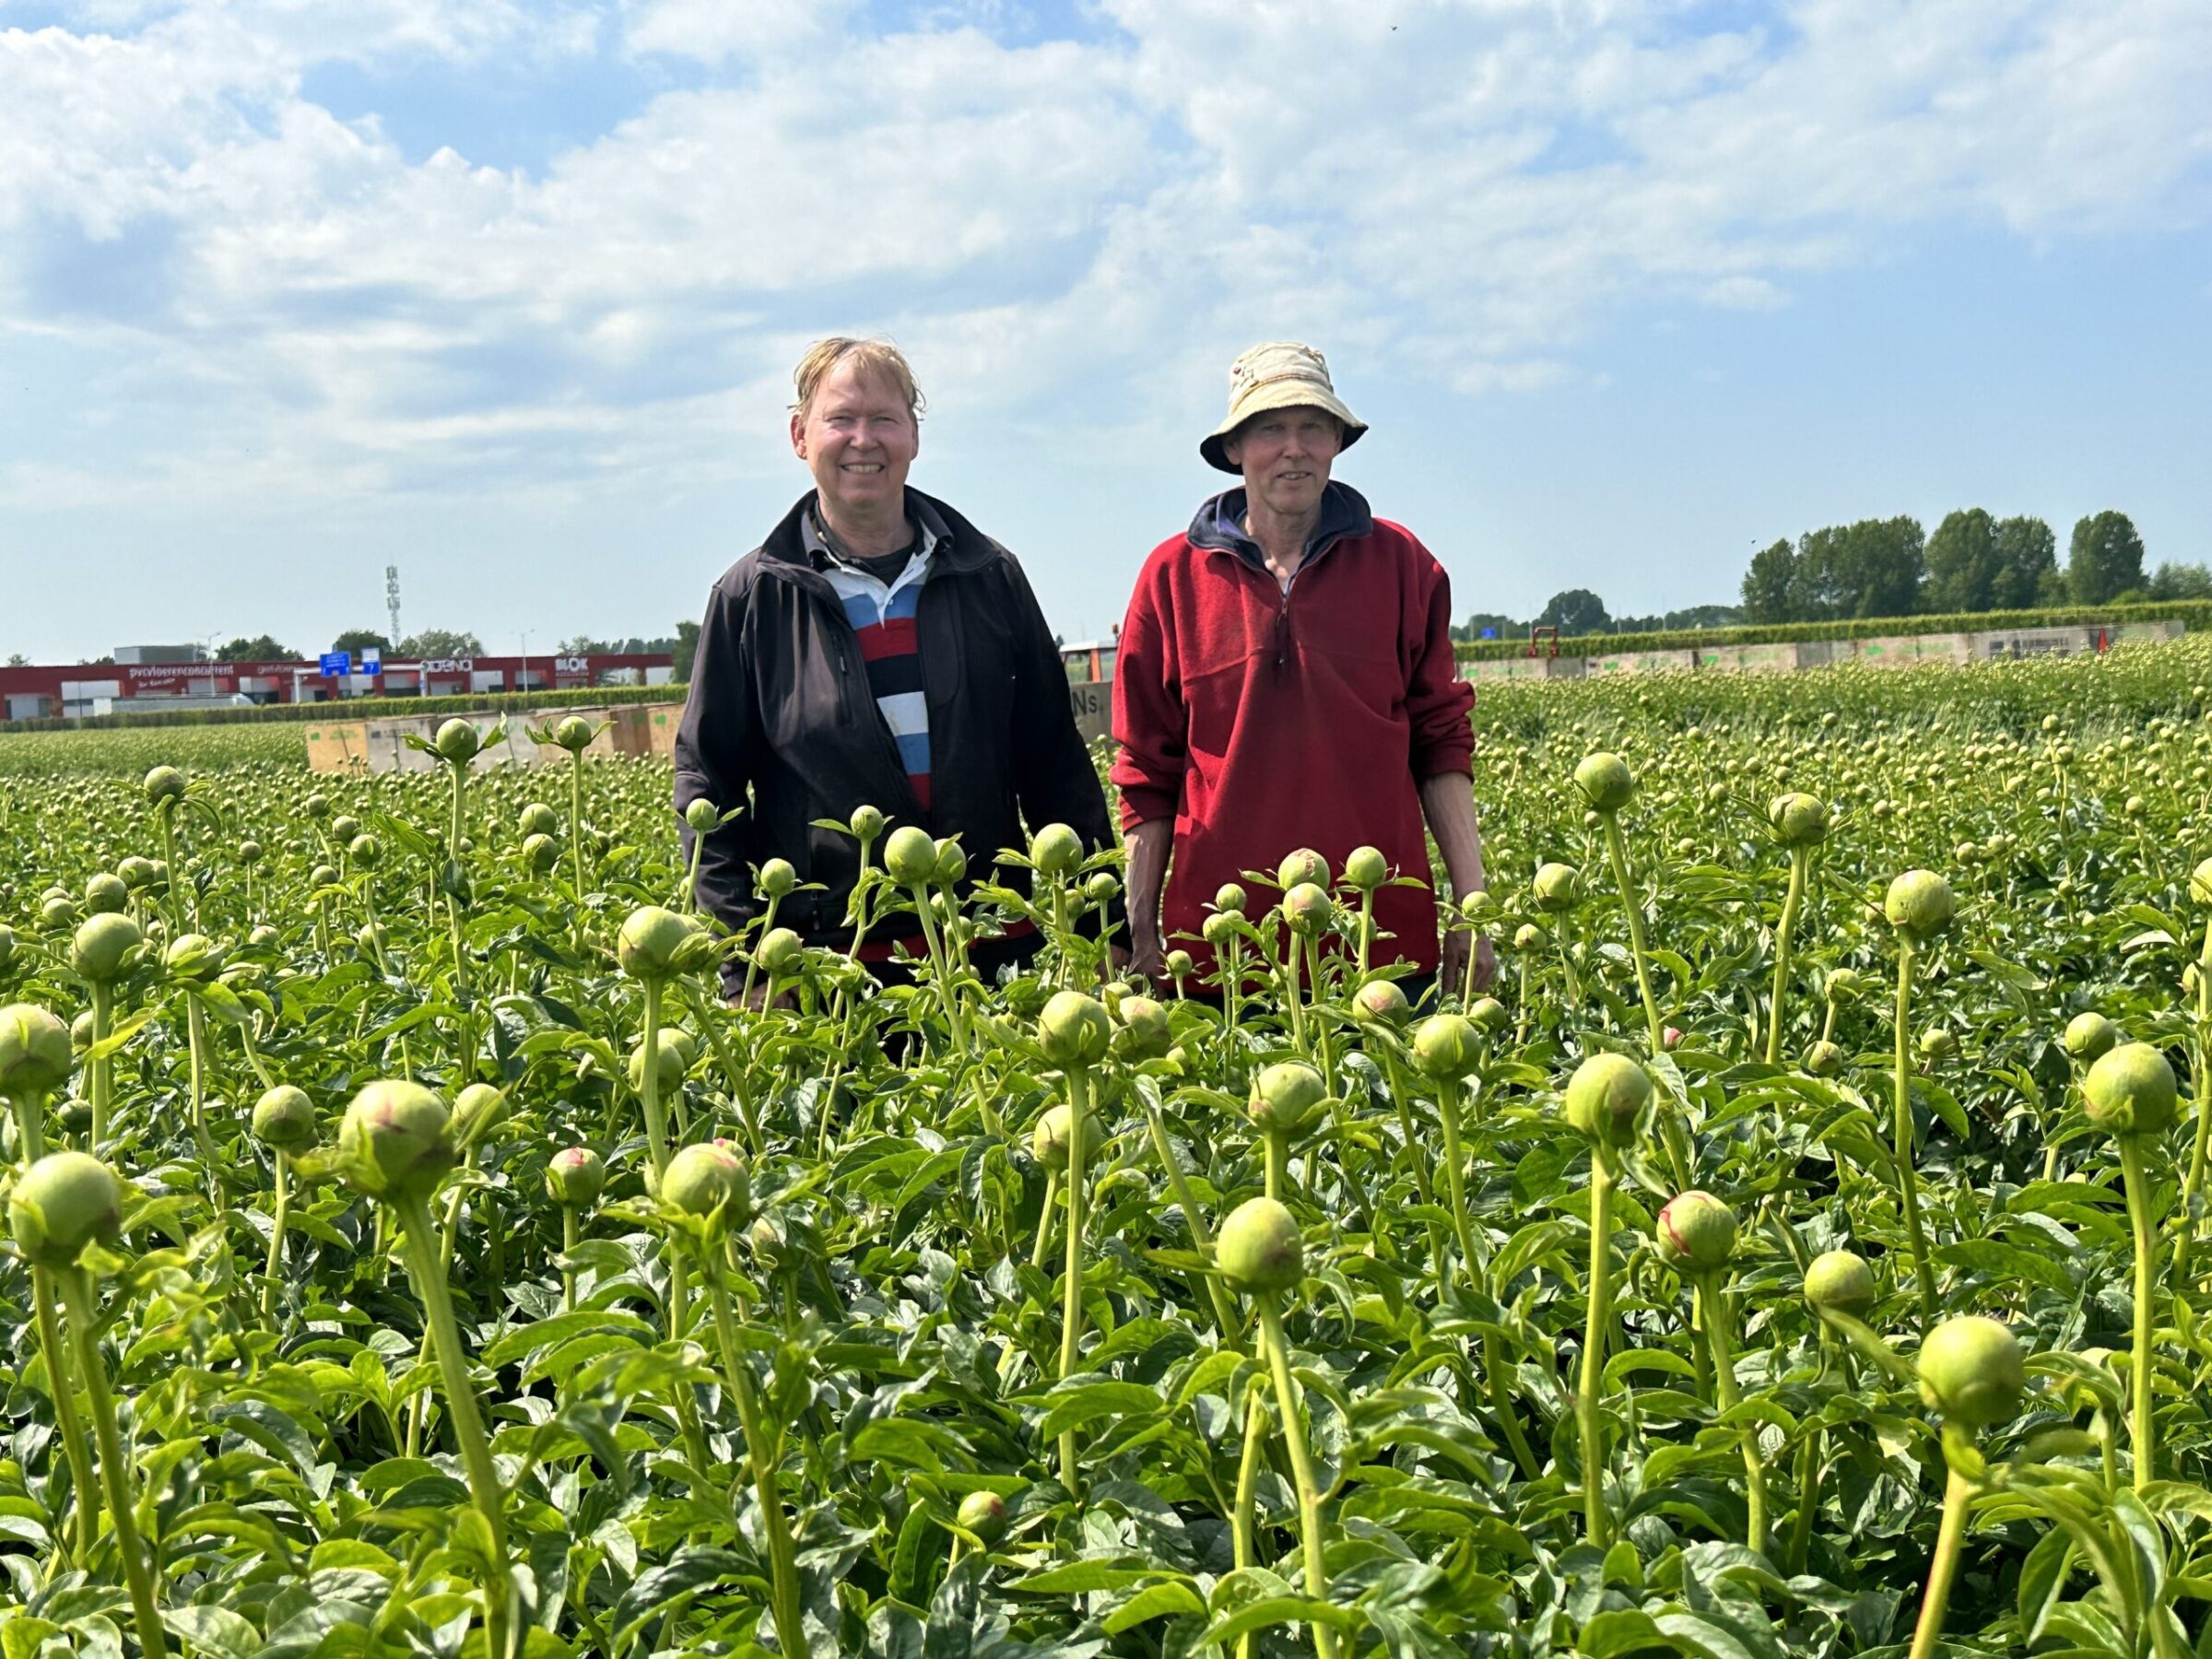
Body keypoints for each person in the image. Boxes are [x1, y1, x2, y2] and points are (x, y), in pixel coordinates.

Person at [675, 336, 1117, 1002]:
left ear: (913, 436)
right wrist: (746, 967)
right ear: (800, 435)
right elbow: (706, 786)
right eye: (840, 419)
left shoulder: (989, 575)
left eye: (885, 419)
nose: (863, 440)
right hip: (828, 969)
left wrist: (1101, 932)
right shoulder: (753, 598)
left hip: (991, 959)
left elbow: (1054, 760)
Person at [1112, 340, 1492, 998]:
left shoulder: (1403, 566)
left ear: (1338, 442)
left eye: (1313, 426)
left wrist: (1473, 906)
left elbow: (1440, 742)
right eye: (1270, 429)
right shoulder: (1169, 579)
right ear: (1234, 448)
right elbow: (1147, 768)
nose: (1295, 447)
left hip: (1382, 953)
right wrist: (1137, 925)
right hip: (1219, 957)